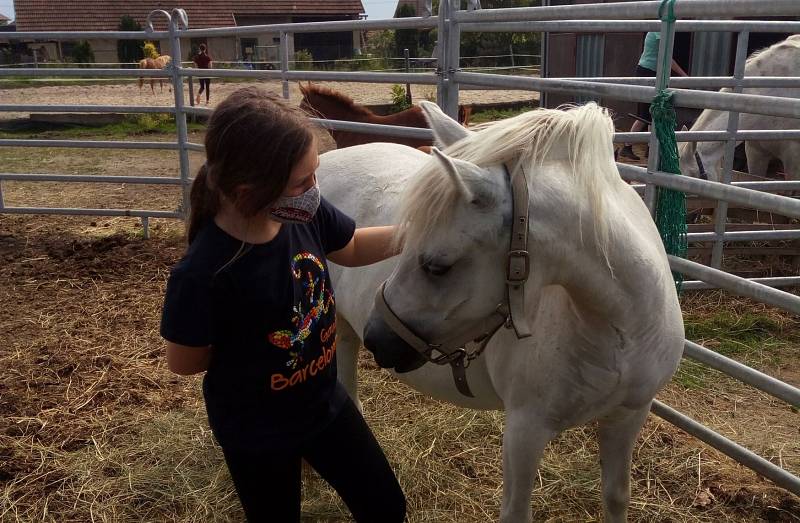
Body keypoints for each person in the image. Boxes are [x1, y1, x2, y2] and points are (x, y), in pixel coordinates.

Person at [160, 87, 406, 523]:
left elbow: (348, 247)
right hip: (256, 433)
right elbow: (184, 361)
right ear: (249, 190)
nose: (314, 188)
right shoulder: (204, 273)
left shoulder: (302, 213)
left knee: (386, 505)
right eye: (302, 181)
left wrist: (415, 231)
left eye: (314, 173)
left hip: (325, 403)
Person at [619, 31, 689, 161]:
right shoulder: (659, 31)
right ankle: (627, 146)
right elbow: (667, 58)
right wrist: (684, 75)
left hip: (651, 73)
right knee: (644, 115)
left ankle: (649, 149)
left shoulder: (658, 31)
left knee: (652, 113)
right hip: (647, 72)